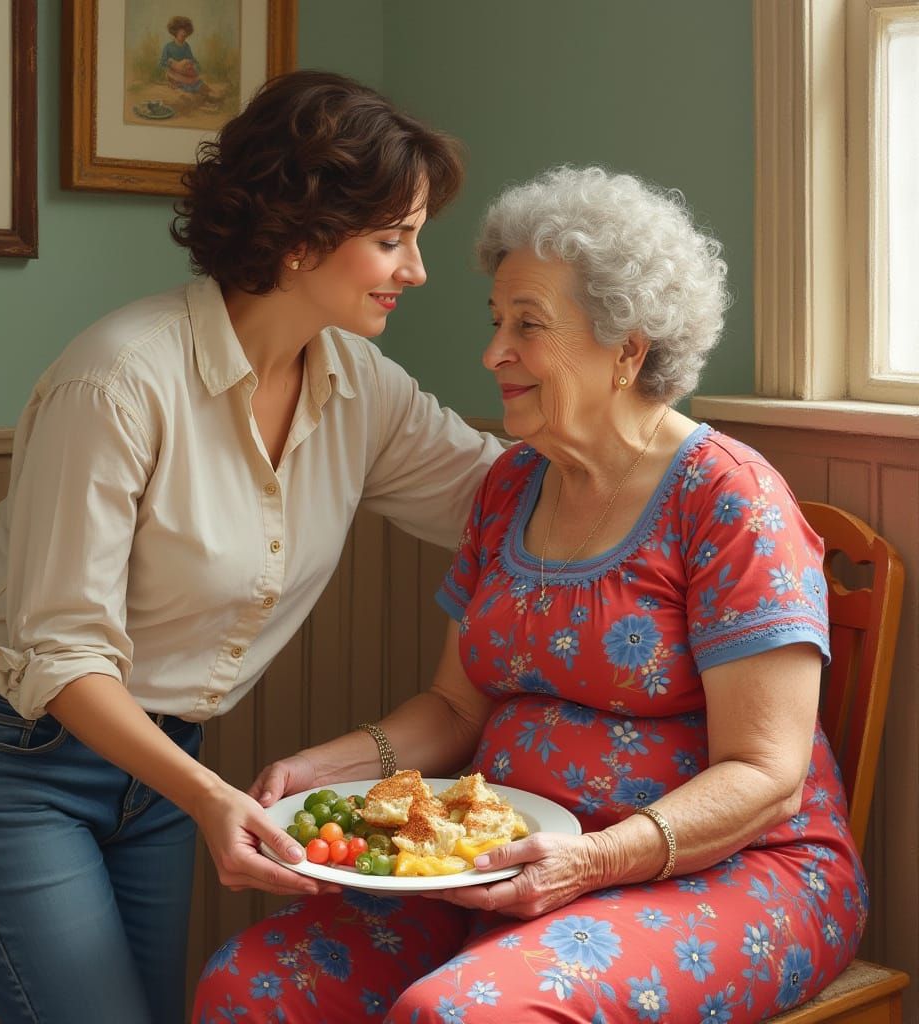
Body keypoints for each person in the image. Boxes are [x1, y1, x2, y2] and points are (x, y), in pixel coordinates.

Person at [0, 70, 505, 1024]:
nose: (416, 271)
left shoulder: (361, 385)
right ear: (301, 240)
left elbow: (497, 499)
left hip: (159, 761)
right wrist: (209, 795)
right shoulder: (119, 381)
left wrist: (683, 476)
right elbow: (61, 655)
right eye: (392, 240)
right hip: (2, 753)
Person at [193, 166, 865, 1023]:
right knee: (249, 987)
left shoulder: (730, 500)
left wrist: (591, 861)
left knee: (462, 1017)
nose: (493, 352)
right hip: (503, 863)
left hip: (729, 871)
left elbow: (767, 775)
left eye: (529, 326)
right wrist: (320, 769)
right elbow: (453, 708)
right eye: (498, 321)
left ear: (628, 348)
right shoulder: (513, 485)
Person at [160, 16, 222, 108]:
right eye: (182, 33)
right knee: (187, 88)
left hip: (186, 73)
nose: (184, 35)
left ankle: (210, 101)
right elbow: (162, 62)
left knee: (200, 84)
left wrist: (191, 64)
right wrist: (173, 63)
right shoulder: (168, 47)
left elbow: (191, 59)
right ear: (176, 31)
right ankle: (204, 103)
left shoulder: (186, 46)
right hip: (174, 75)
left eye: (186, 33)